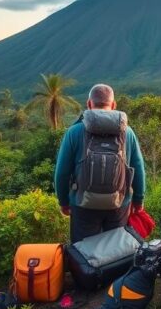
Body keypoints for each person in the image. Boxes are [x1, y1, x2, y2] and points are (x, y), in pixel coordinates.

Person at [54, 84, 146, 243]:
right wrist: (138, 200)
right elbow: (138, 168)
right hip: (119, 204)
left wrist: (64, 201)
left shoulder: (74, 132)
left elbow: (61, 172)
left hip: (83, 204)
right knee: (116, 253)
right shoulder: (127, 132)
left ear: (89, 103)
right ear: (114, 104)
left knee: (83, 252)